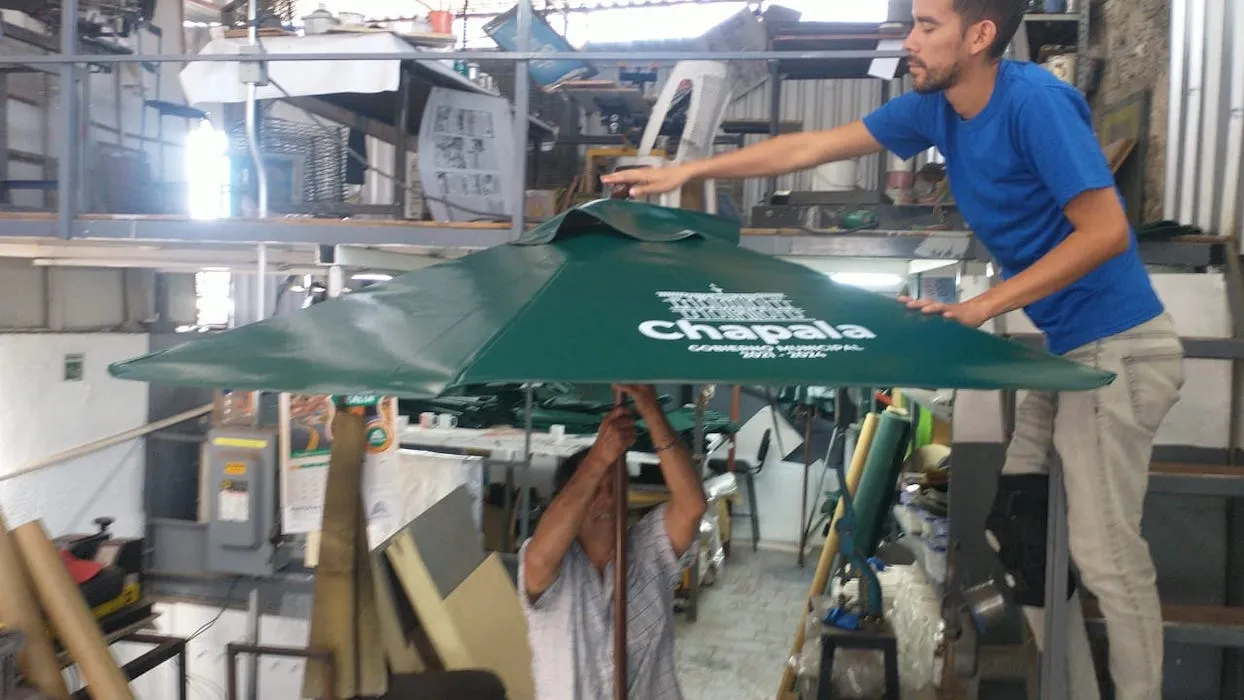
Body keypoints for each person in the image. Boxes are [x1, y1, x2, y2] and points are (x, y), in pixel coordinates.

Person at [602, 1, 1185, 698]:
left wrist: (982, 306)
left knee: (1106, 556)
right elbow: (809, 148)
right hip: (1068, 348)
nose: (909, 40)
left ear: (980, 35)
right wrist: (687, 173)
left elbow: (1106, 231)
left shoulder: (1035, 103)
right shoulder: (937, 108)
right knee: (1021, 528)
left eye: (927, 26)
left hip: (1118, 349)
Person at [519, 384, 706, 700]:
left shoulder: (648, 549)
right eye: (595, 491)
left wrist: (650, 408)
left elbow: (692, 506)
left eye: (615, 487)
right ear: (573, 503)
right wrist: (599, 457)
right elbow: (538, 558)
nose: (607, 500)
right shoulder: (554, 568)